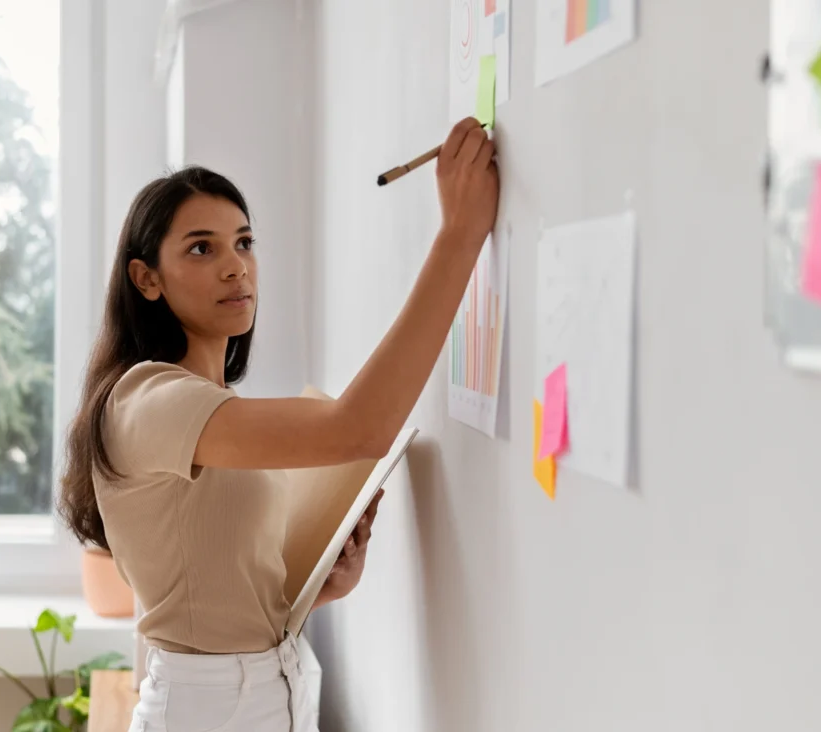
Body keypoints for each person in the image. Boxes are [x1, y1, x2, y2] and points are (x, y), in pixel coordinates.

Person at [58, 116, 500, 732]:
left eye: (243, 242)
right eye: (201, 248)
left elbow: (209, 586)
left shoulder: (213, 409)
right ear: (146, 278)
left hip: (271, 689)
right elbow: (360, 429)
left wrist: (309, 591)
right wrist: (459, 235)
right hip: (207, 711)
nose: (236, 266)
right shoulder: (148, 399)